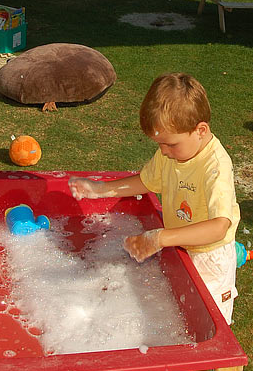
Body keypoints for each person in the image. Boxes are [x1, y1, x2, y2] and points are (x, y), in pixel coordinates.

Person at [68, 73, 241, 325]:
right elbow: (146, 181)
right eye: (159, 144)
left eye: (170, 144)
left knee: (209, 320)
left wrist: (160, 238)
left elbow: (218, 227)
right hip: (181, 243)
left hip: (210, 256)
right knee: (181, 311)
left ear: (200, 130)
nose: (163, 151)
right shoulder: (170, 153)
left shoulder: (215, 167)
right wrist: (100, 190)